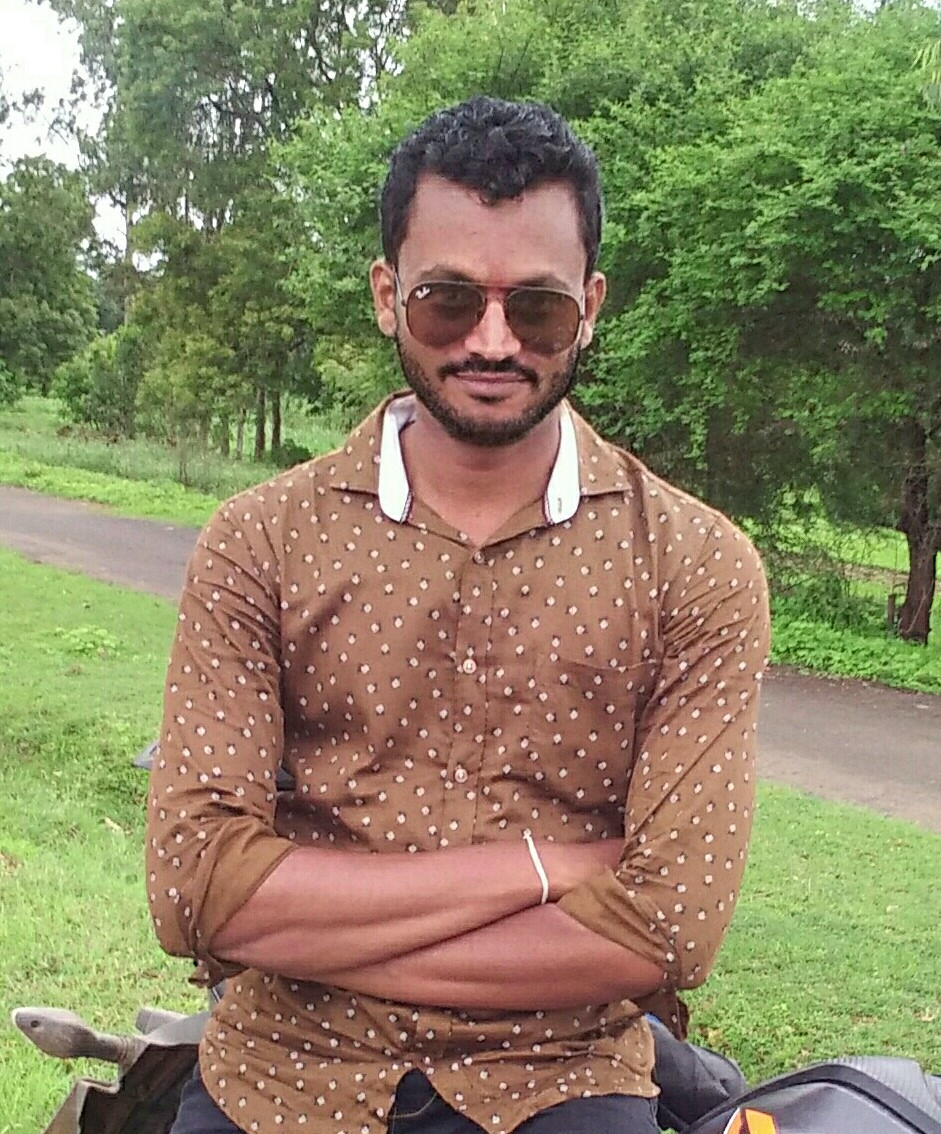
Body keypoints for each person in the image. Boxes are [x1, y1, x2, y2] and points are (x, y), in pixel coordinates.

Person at [147, 95, 771, 1134]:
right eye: (447, 301)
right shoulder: (259, 542)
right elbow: (194, 890)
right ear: (386, 295)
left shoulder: (694, 566)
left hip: (562, 1075)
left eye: (536, 309)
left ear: (590, 307)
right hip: (282, 1068)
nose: (491, 340)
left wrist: (299, 924)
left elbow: (666, 930)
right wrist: (543, 868)